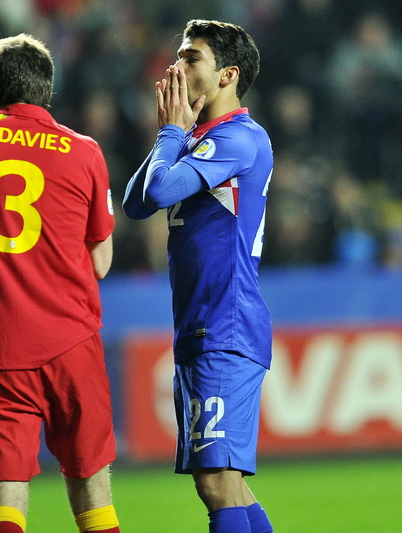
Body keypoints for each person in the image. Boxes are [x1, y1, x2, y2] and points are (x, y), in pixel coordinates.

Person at [0, 34, 121, 533]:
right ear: (46, 91)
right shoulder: (85, 151)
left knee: (5, 503)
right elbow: (100, 262)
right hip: (71, 343)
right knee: (92, 491)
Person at [122, 20, 274, 533]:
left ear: (227, 75)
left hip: (223, 322)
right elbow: (136, 202)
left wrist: (169, 134)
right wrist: (175, 136)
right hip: (203, 322)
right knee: (228, 481)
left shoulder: (239, 139)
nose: (176, 67)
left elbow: (160, 192)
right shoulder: (200, 140)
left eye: (191, 58)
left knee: (215, 481)